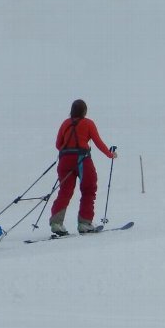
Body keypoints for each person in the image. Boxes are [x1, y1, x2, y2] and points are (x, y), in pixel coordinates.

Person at [49, 99, 117, 235]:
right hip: (82, 160)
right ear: (84, 111)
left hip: (64, 160)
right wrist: (110, 154)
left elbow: (58, 145)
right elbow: (98, 142)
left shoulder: (65, 123)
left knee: (65, 191)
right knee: (89, 189)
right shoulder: (88, 123)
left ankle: (56, 223)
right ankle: (85, 223)